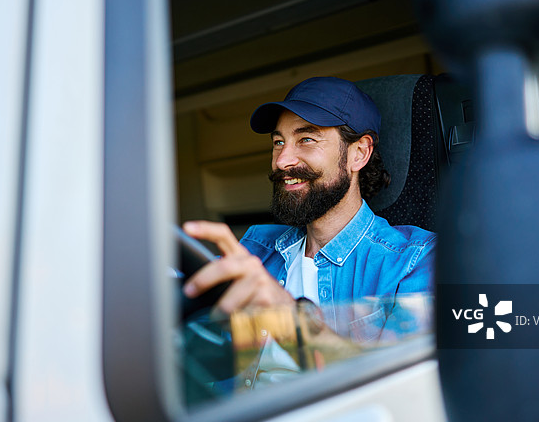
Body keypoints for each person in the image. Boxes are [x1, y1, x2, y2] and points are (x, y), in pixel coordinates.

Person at [183, 76, 435, 338]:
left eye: (306, 139)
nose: (282, 161)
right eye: (278, 142)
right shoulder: (255, 250)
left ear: (359, 153)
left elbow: (406, 365)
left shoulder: (414, 262)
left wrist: (291, 319)